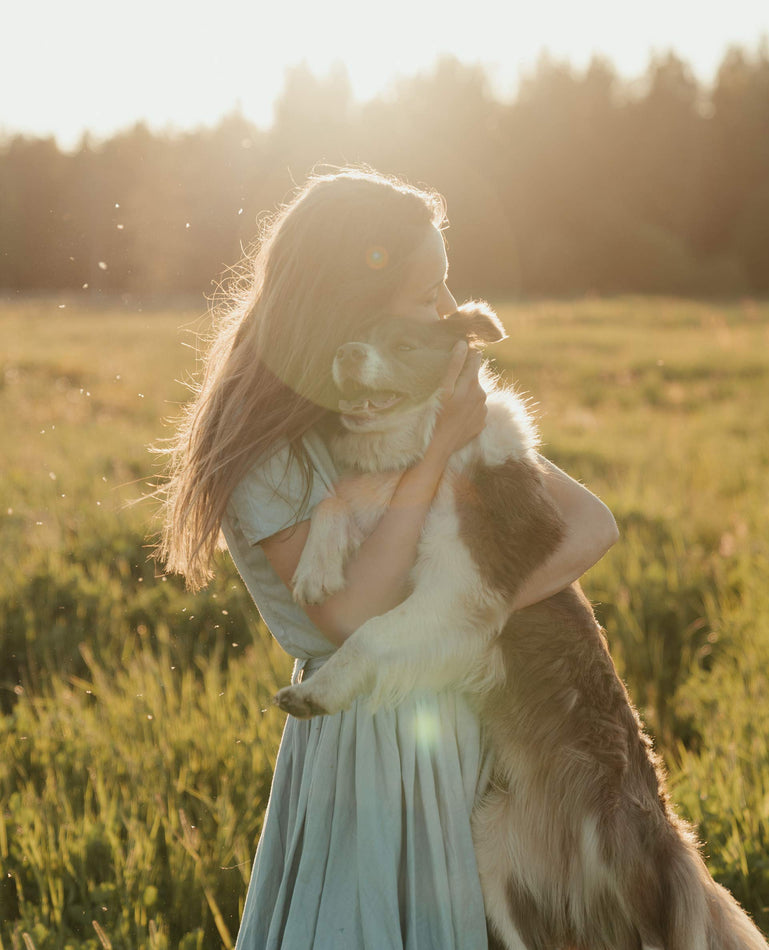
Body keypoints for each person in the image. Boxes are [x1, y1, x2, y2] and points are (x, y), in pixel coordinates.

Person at [158, 167, 618, 950]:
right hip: (363, 758)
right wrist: (437, 452)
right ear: (352, 299)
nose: (445, 313)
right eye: (425, 293)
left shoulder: (413, 399)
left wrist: (474, 612)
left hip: (458, 731)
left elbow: (591, 525)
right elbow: (349, 617)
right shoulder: (269, 451)